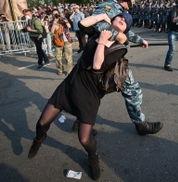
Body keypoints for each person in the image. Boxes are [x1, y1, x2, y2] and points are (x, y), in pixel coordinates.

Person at [27, 12, 133, 181]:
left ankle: (93, 157)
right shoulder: (99, 31)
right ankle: (39, 139)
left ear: (126, 28)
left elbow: (97, 65)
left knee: (84, 139)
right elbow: (83, 24)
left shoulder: (120, 48)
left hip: (89, 92)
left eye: (125, 21)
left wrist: (103, 43)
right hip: (71, 83)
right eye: (118, 17)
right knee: (42, 122)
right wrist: (103, 16)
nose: (121, 19)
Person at [77, 0, 163, 136]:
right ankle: (140, 124)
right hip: (106, 58)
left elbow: (125, 31)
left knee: (98, 91)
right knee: (132, 90)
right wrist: (119, 37)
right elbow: (99, 24)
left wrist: (139, 40)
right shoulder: (109, 6)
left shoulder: (117, 9)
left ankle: (80, 121)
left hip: (108, 57)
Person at [50, 10, 73, 75]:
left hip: (66, 40)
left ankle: (69, 71)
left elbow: (69, 26)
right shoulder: (52, 22)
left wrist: (65, 21)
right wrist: (55, 22)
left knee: (68, 57)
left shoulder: (63, 19)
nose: (56, 15)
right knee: (58, 57)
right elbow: (51, 31)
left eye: (56, 14)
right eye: (54, 14)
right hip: (58, 41)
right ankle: (60, 69)